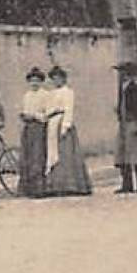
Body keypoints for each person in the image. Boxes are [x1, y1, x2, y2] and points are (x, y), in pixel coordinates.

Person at [43, 65, 92, 196]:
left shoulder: (68, 92)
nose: (56, 81)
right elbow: (47, 109)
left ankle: (70, 185)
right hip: (52, 123)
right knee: (53, 153)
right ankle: (54, 185)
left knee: (65, 154)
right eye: (53, 79)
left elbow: (68, 109)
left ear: (64, 79)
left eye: (58, 78)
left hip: (62, 123)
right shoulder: (51, 93)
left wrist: (65, 126)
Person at [114, 61, 137, 195]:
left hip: (134, 122)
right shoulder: (122, 87)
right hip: (124, 123)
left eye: (123, 72)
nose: (121, 75)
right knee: (123, 154)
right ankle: (127, 184)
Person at [18, 67, 51, 198]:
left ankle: (39, 189)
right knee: (26, 157)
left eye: (37, 80)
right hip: (28, 128)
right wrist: (24, 115)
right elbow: (24, 110)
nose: (34, 83)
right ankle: (27, 189)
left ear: (41, 81)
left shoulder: (45, 95)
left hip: (39, 128)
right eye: (32, 81)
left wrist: (35, 116)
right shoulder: (27, 95)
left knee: (38, 157)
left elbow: (47, 113)